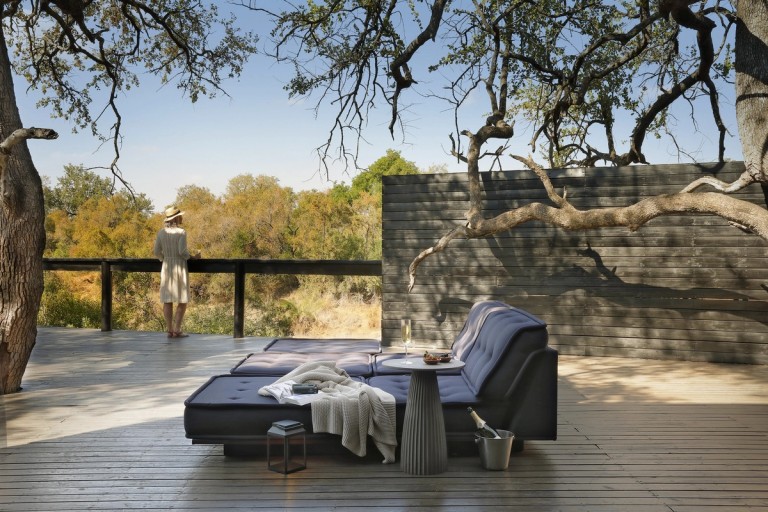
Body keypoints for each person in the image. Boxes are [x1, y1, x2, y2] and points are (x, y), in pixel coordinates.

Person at [153, 206, 199, 338]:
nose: (182, 217)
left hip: (167, 267)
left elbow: (156, 252)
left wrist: (164, 259)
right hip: (179, 267)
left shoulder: (161, 233)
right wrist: (193, 257)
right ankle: (177, 329)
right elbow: (182, 252)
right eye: (181, 215)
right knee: (182, 299)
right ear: (176, 218)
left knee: (167, 300)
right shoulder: (181, 232)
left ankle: (169, 330)